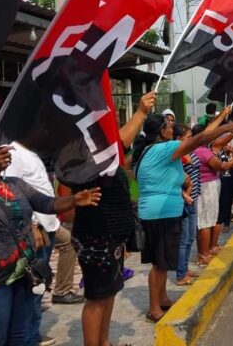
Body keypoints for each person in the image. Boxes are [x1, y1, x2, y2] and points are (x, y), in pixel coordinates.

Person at [0, 144, 100, 346]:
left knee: (21, 336)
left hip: (22, 273)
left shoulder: (14, 184)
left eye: (1, 151)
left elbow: (46, 203)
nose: (0, 156)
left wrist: (73, 200)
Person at [131, 107, 233, 323]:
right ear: (162, 131)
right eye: (169, 126)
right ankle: (154, 308)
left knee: (162, 262)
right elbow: (200, 138)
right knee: (159, 263)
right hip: (161, 213)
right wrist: (226, 126)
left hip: (157, 210)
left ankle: (162, 299)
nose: (172, 129)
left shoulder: (147, 151)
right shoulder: (165, 149)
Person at [70, 92, 156, 346]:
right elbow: (121, 143)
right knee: (97, 297)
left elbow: (120, 147)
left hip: (112, 238)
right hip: (95, 237)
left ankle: (104, 342)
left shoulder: (107, 156)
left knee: (109, 293)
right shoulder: (82, 158)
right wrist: (140, 113)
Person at [192, 124, 233, 265]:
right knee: (205, 222)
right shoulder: (203, 151)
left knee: (210, 220)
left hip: (210, 186)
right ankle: (203, 255)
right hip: (206, 188)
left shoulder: (203, 149)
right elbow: (222, 167)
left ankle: (207, 250)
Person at [173, 124, 199, 286]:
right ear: (178, 139)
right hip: (183, 201)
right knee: (183, 240)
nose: (191, 140)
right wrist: (185, 195)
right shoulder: (177, 155)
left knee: (190, 238)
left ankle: (185, 267)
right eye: (188, 137)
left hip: (192, 199)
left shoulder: (189, 152)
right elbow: (172, 180)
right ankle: (181, 274)